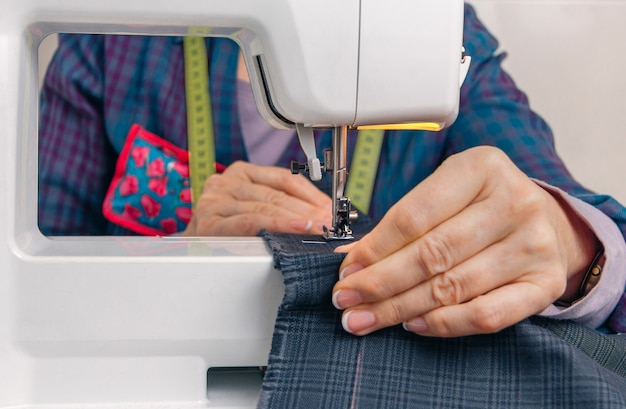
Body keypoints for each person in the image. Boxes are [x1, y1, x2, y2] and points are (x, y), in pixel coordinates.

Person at [38, 3, 626, 339]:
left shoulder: (439, 39)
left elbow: (595, 237)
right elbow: (36, 286)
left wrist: (572, 244)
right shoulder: (118, 34)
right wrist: (178, 256)